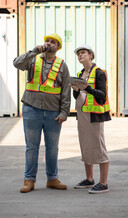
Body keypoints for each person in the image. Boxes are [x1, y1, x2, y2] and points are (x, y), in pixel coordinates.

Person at [13, 33, 71, 193]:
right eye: (47, 41)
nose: (49, 44)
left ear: (58, 47)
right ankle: (29, 180)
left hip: (53, 113)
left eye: (53, 42)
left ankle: (52, 179)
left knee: (52, 148)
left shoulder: (62, 65)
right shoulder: (33, 59)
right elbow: (17, 64)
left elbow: (66, 90)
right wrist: (33, 51)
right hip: (31, 109)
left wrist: (64, 112)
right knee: (32, 147)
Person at [71, 45, 111, 194]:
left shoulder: (99, 73)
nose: (80, 56)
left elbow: (102, 94)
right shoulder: (80, 73)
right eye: (78, 54)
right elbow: (79, 96)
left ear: (90, 56)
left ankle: (104, 183)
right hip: (82, 115)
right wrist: (76, 91)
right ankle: (89, 179)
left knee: (99, 148)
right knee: (85, 146)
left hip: (94, 115)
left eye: (83, 53)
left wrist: (86, 88)